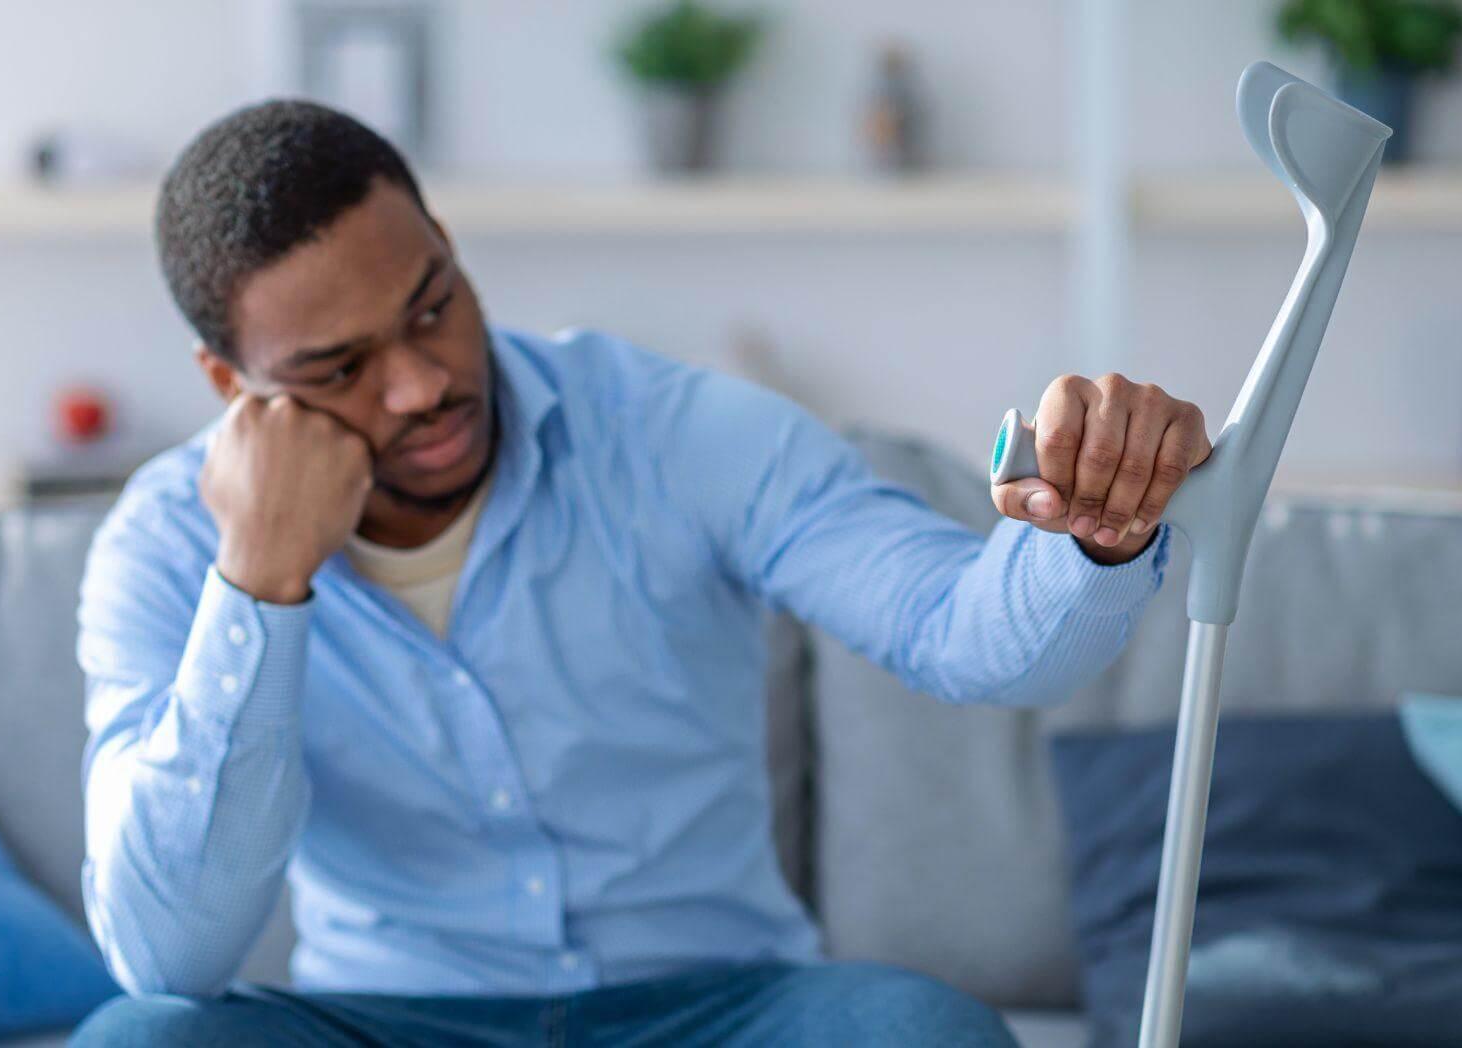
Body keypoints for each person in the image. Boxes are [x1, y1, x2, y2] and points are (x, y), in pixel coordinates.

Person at [71, 99, 1211, 1047]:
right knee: (140, 1039)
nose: (419, 383)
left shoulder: (673, 434)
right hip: (389, 1017)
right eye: (338, 367)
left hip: (720, 1008)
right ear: (232, 383)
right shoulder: (167, 544)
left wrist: (1089, 529)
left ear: (449, 248)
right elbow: (171, 953)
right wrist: (260, 585)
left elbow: (958, 631)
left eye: (433, 306)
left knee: (922, 1029)